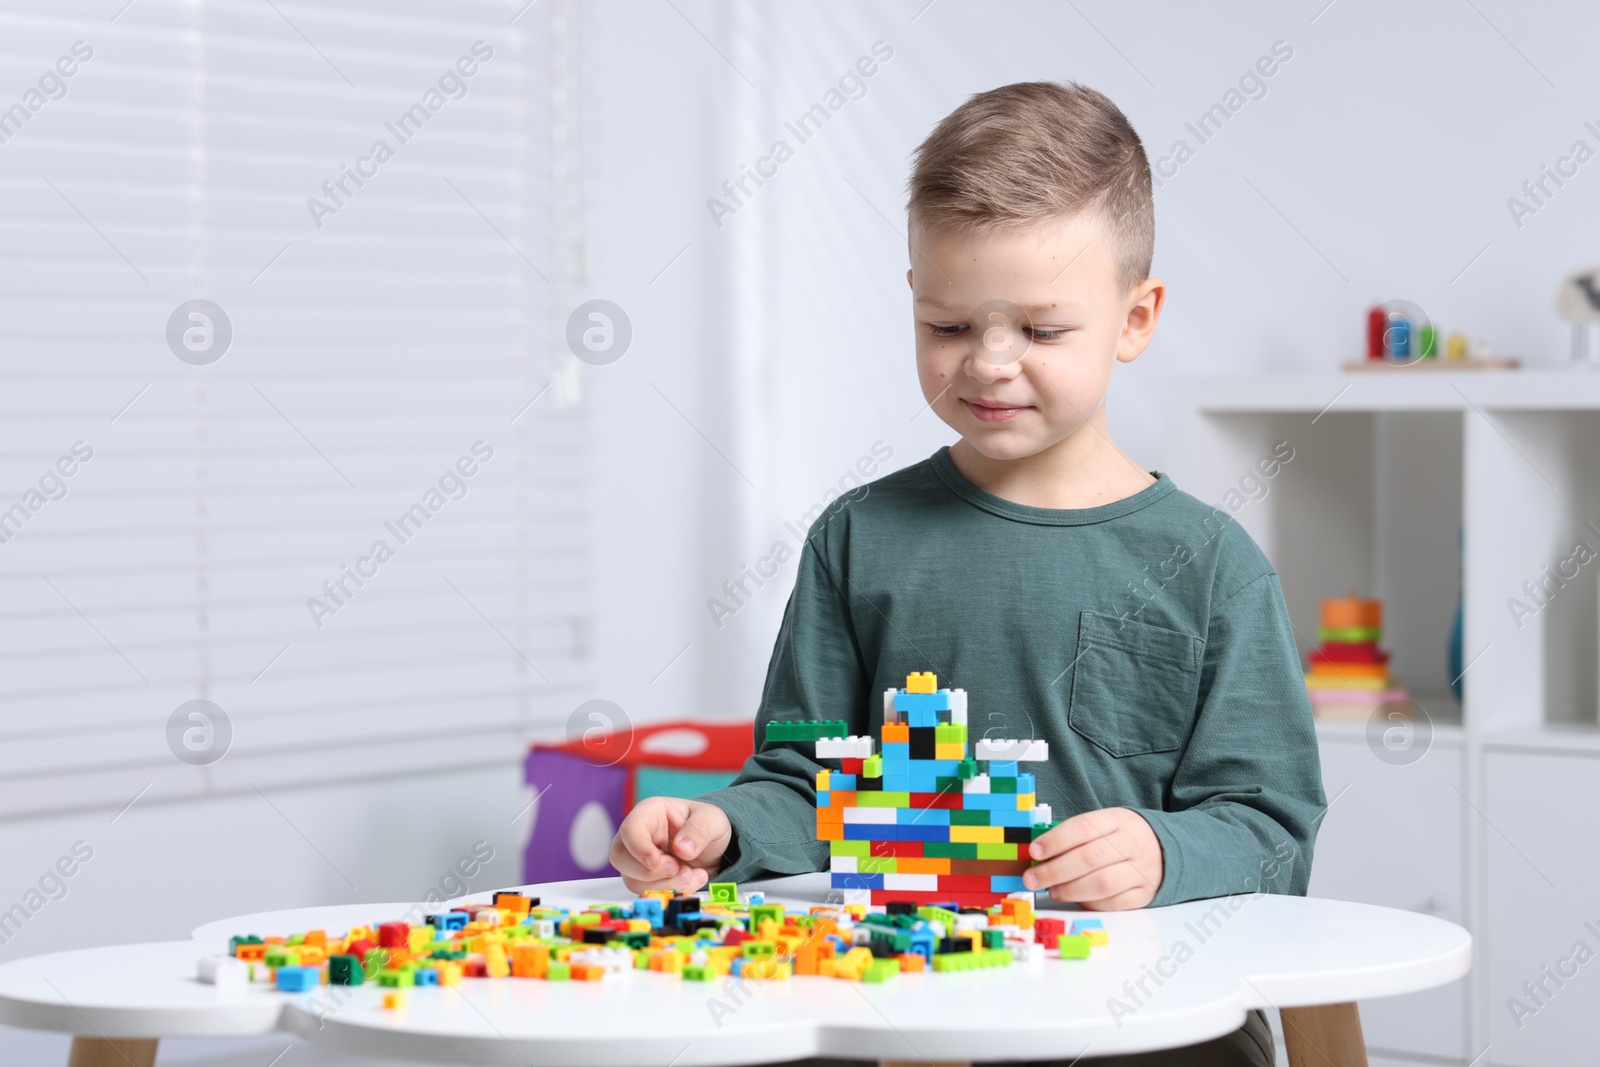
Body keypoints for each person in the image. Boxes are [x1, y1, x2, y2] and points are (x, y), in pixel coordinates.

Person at [609, 80, 1324, 1066]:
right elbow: (805, 773)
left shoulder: (1211, 566)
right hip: (903, 994)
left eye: (1038, 329)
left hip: (1145, 1010)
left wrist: (1163, 853)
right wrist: (719, 828)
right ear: (914, 301)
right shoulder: (857, 538)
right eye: (949, 327)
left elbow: (1271, 826)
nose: (987, 363)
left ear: (1135, 316)